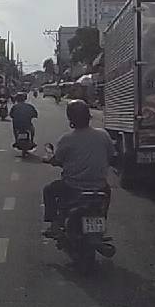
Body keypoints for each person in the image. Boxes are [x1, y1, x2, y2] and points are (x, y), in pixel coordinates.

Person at [42, 100, 115, 239]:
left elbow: (57, 160)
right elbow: (111, 155)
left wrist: (49, 158)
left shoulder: (67, 139)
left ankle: (55, 225)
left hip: (72, 187)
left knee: (49, 190)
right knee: (107, 194)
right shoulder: (103, 135)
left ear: (71, 119)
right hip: (99, 186)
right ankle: (101, 220)